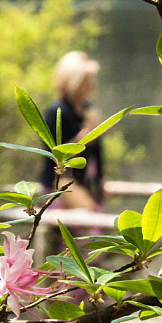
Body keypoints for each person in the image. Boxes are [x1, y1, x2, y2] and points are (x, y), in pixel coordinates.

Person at [38, 51, 104, 208]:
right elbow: (52, 154)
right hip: (60, 185)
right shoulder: (57, 112)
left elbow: (98, 152)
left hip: (86, 184)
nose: (91, 86)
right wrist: (82, 140)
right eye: (86, 81)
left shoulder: (88, 109)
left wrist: (100, 179)